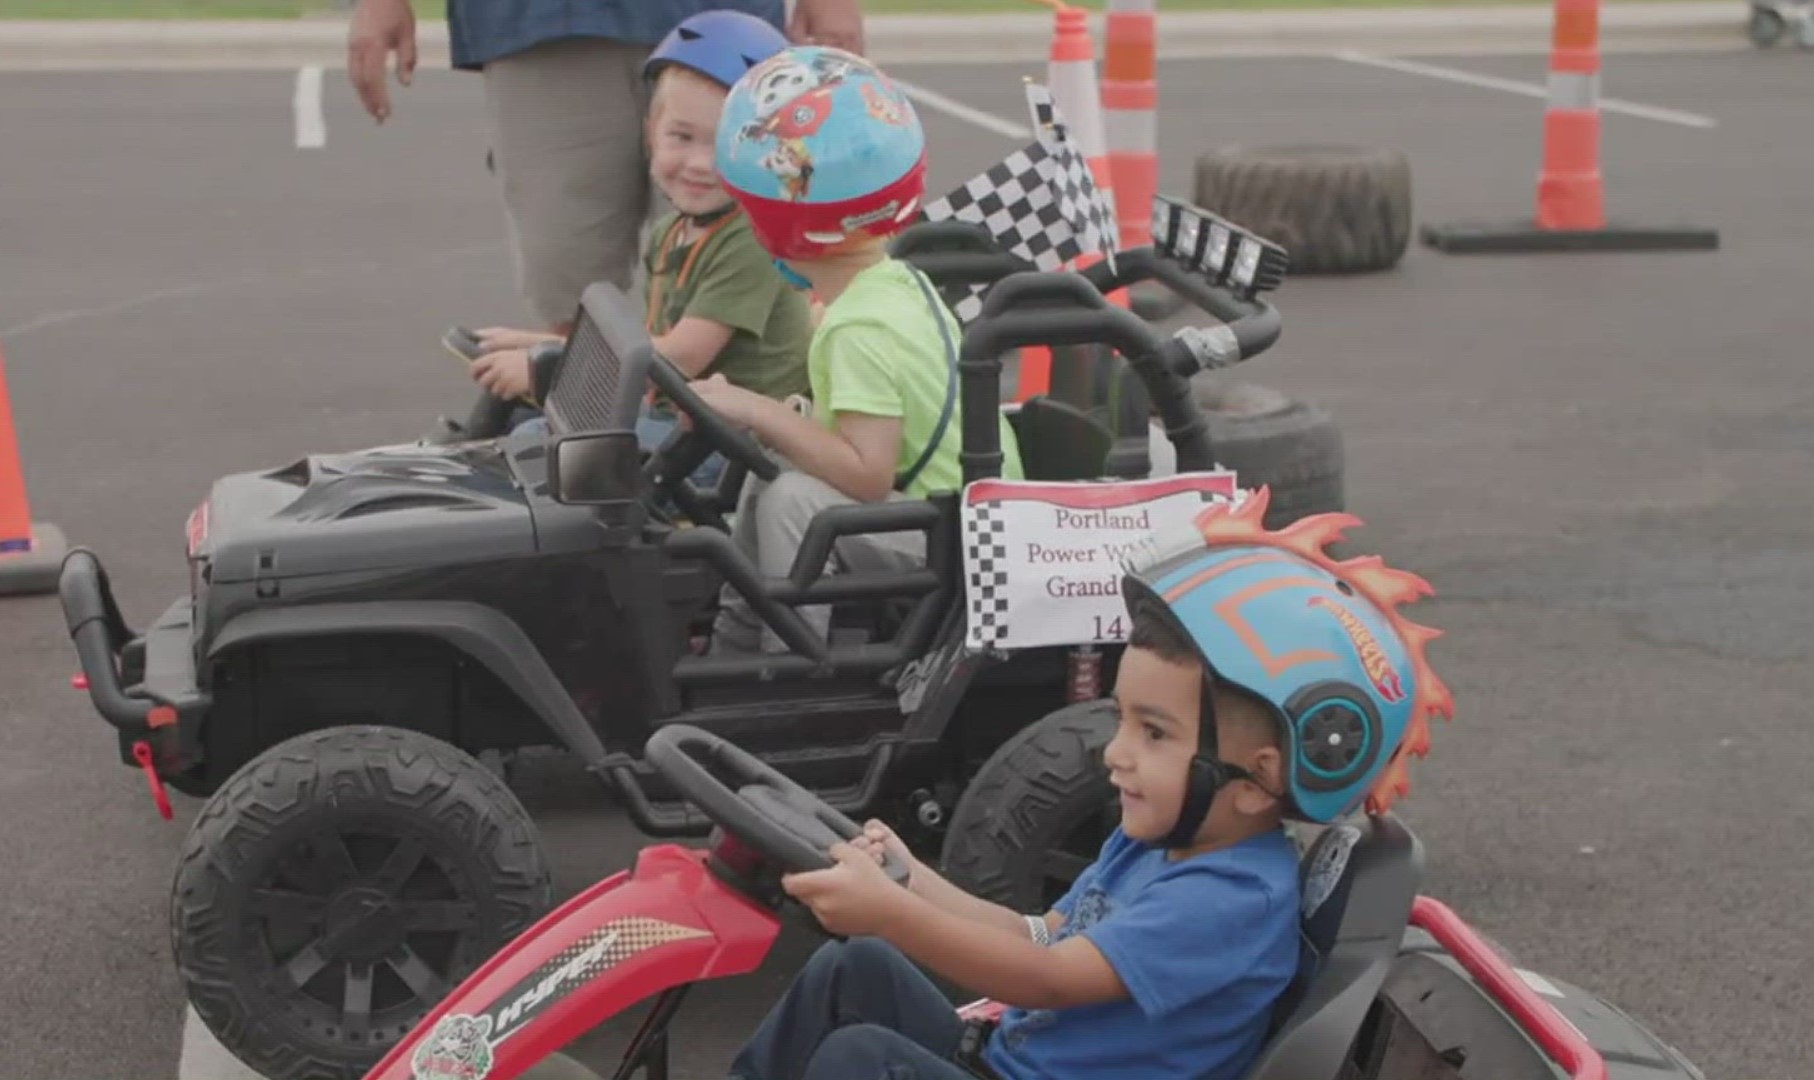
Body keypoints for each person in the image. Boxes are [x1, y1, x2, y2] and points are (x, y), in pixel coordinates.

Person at [725, 494, 1457, 1080]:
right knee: (852, 967)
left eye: (1154, 733)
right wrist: (911, 879)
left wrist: (889, 913)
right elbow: (1039, 934)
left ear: (1260, 780)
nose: (1116, 753)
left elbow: (1046, 979)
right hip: (1007, 1061)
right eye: (1123, 720)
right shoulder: (1158, 844)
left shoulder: (1229, 899)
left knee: (861, 1061)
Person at [693, 46, 1027, 654]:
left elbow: (869, 478)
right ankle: (734, 643)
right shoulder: (896, 280)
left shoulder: (858, 329)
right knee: (777, 465)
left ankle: (790, 666)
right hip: (966, 512)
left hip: (959, 539)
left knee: (793, 497)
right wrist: (782, 423)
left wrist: (757, 409)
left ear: (774, 224)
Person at [346, 0, 864, 338]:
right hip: (541, 23)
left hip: (724, 20)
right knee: (567, 283)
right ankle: (601, 448)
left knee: (740, 270)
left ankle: (734, 458)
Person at [455, 10, 816, 488]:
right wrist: (540, 345)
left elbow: (680, 359)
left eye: (726, 143)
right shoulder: (674, 230)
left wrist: (548, 368)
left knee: (541, 443)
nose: (699, 164)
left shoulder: (751, 241)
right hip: (686, 421)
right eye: (681, 137)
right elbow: (646, 344)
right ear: (650, 133)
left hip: (736, 446)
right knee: (527, 426)